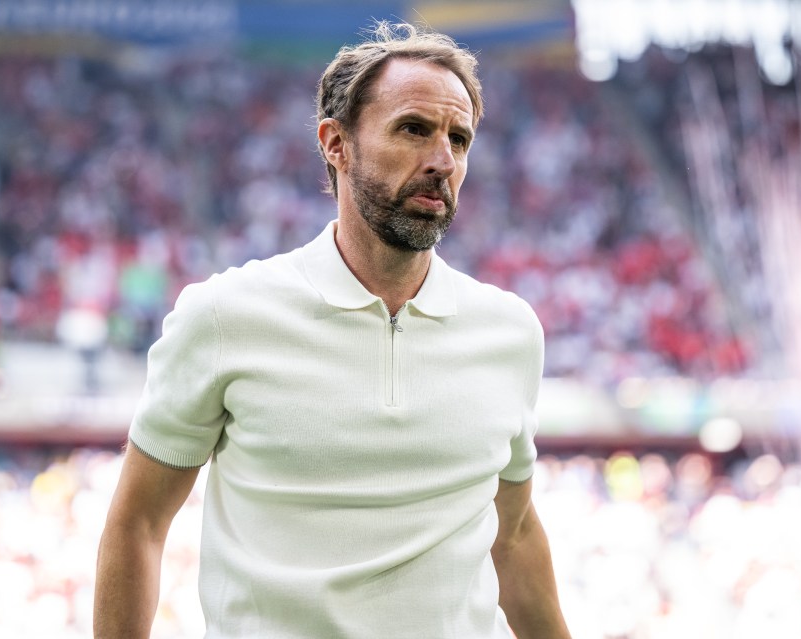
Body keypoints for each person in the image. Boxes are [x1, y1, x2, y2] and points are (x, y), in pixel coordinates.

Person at [94, 22, 572, 639]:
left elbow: (513, 536)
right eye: (413, 129)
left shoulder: (510, 332)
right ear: (336, 144)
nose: (442, 160)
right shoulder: (224, 315)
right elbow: (137, 525)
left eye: (459, 138)